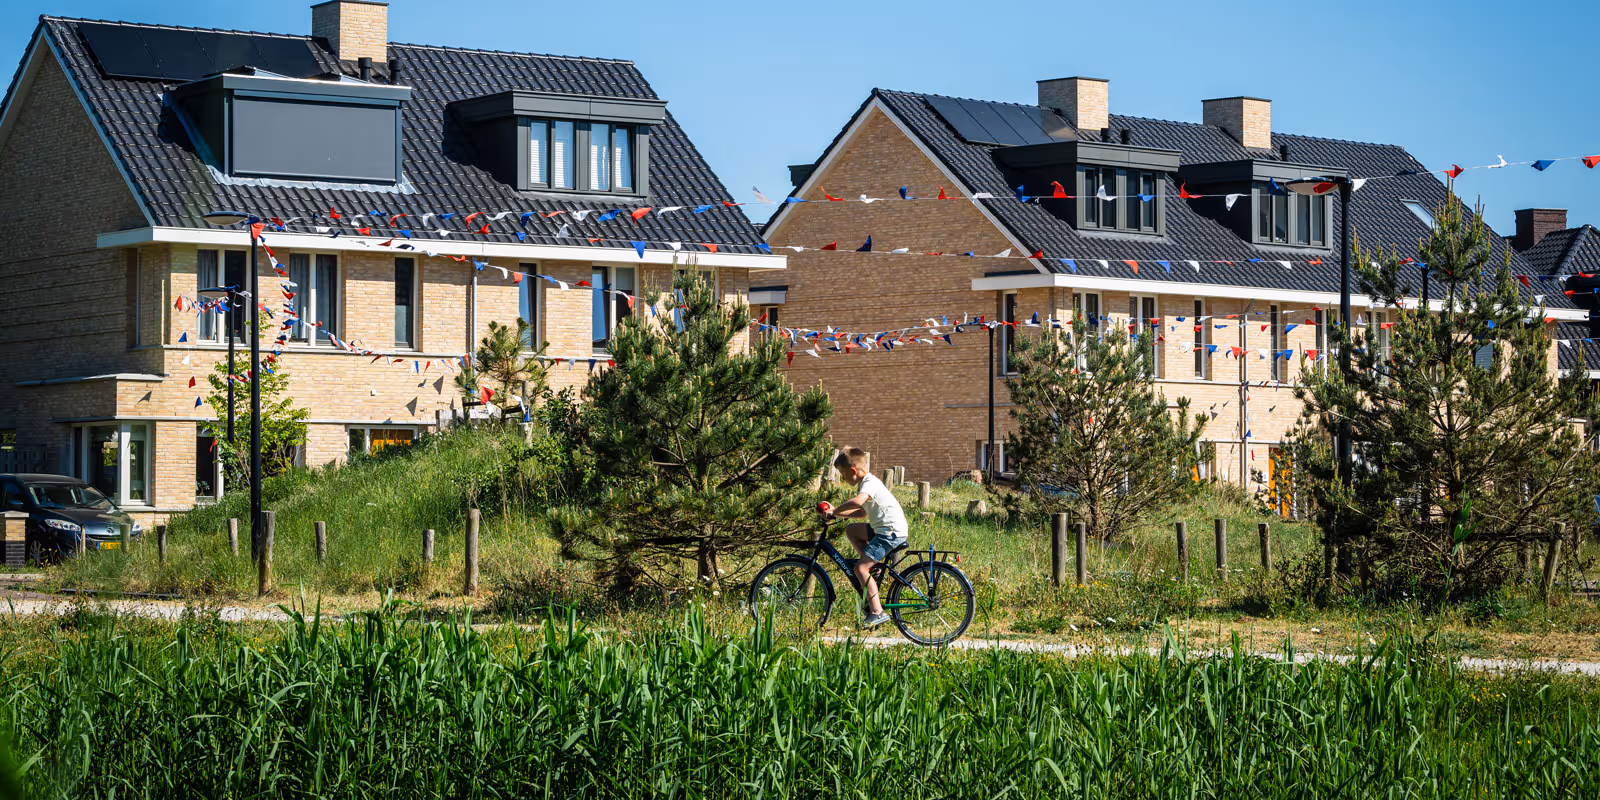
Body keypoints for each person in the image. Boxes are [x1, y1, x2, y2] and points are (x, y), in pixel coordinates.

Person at [822, 447, 908, 627]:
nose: (843, 479)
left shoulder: (869, 483)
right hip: (885, 529)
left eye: (843, 475)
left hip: (890, 532)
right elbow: (862, 513)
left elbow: (857, 502)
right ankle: (872, 566)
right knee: (852, 530)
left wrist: (835, 511)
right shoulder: (867, 483)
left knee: (860, 569)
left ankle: (877, 612)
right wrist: (836, 514)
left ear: (853, 471)